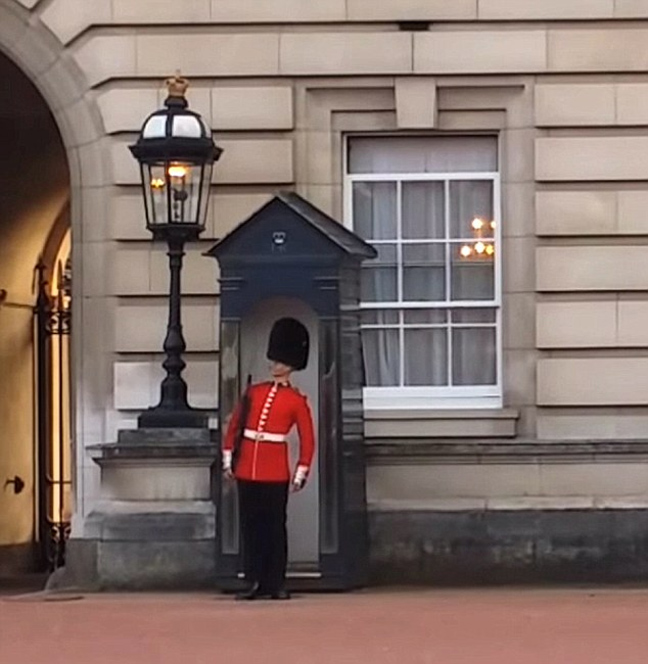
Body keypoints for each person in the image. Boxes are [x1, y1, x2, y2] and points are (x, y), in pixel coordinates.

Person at [222, 317, 316, 600]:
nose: (275, 364)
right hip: (247, 466)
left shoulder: (296, 401)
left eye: (280, 360)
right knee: (251, 527)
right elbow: (235, 426)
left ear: (291, 364)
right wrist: (229, 459)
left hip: (275, 470)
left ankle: (275, 581)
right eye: (274, 359)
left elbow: (308, 440)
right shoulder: (255, 392)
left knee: (275, 528)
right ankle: (253, 580)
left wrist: (301, 472)